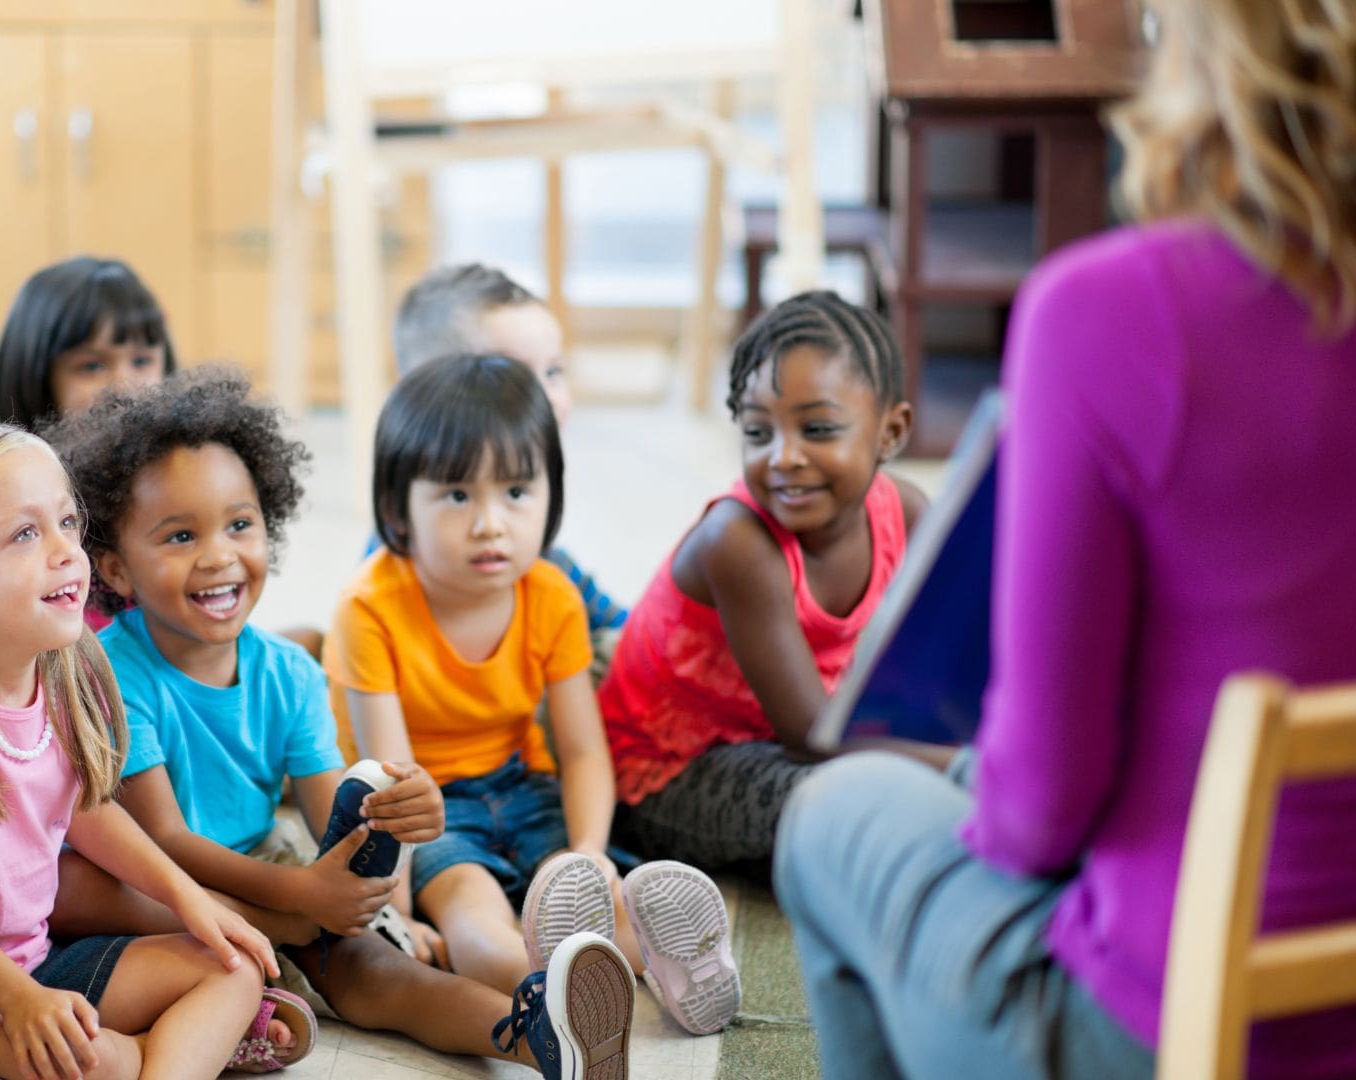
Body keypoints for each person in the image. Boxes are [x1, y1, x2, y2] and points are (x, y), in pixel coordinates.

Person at [773, 2, 1356, 1077]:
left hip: (1163, 1028)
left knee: (833, 813)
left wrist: (1001, 784)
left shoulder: (1113, 314)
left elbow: (1041, 811)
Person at [49, 366, 642, 1073]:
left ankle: (542, 1034)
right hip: (149, 881)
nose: (219, 556)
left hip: (261, 865)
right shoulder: (108, 673)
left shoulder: (292, 674)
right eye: (179, 537)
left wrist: (400, 814)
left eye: (241, 525)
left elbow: (341, 813)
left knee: (378, 976)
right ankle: (262, 983)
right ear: (113, 569)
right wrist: (301, 898)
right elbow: (165, 839)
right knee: (128, 902)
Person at [0, 422, 296, 1079]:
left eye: (67, 521)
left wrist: (191, 900)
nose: (67, 551)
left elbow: (89, 812)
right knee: (98, 1061)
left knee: (232, 968)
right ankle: (48, 1050)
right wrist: (21, 1000)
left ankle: (154, 1060)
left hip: (33, 959)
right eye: (26, 534)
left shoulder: (55, 671)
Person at [325, 353, 739, 1034]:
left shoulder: (550, 594)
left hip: (525, 785)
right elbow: (393, 789)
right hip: (431, 811)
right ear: (398, 508)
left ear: (552, 495)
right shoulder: (369, 607)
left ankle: (682, 963)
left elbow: (580, 751)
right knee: (471, 910)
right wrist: (393, 908)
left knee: (595, 892)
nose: (491, 523)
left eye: (517, 492)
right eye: (458, 496)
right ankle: (553, 977)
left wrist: (590, 849)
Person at [599, 291, 948, 875]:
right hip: (672, 772)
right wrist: (964, 767)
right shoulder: (739, 543)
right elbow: (814, 738)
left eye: (816, 428)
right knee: (861, 802)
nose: (784, 457)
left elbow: (947, 657)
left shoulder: (906, 514)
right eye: (759, 434)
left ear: (891, 432)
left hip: (799, 732)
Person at [390, 263, 625, 638]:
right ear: (422, 394)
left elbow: (615, 622)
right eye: (510, 377)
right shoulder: (404, 548)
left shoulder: (550, 571)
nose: (543, 399)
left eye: (553, 372)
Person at [0, 256, 175, 433]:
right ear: (36, 382)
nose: (124, 390)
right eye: (92, 366)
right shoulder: (9, 466)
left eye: (141, 361)